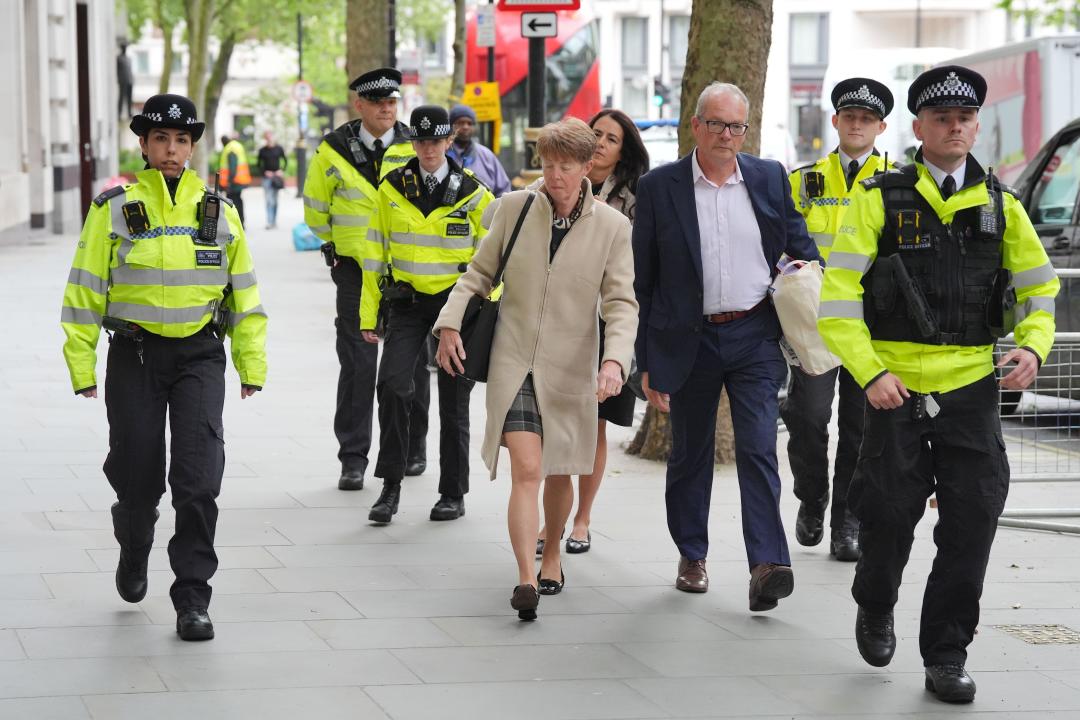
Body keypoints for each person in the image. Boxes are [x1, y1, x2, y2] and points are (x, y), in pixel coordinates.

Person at [818, 65, 1058, 703]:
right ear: (919, 127)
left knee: (971, 524)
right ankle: (875, 601)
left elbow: (1041, 293)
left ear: (977, 125)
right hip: (894, 390)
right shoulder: (878, 199)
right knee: (888, 518)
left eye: (965, 119)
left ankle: (946, 653)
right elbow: (837, 300)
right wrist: (870, 374)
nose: (955, 128)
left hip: (973, 389)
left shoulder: (1002, 207)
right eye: (942, 119)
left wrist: (1033, 347)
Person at [60, 93, 268, 641]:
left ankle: (193, 597)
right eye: (160, 140)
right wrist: (81, 363)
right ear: (145, 146)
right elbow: (83, 288)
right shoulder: (113, 209)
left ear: (193, 147)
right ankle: (134, 540)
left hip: (200, 355)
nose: (171, 150)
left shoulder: (220, 212)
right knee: (138, 474)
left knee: (198, 481)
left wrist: (251, 360)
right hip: (136, 356)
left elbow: (244, 294)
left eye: (181, 141)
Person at [433, 118, 637, 620]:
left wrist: (614, 361)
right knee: (525, 469)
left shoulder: (613, 227)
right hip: (514, 359)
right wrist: (450, 325)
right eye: (547, 166)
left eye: (565, 167)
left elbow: (621, 303)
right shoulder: (515, 209)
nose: (555, 177)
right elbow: (478, 273)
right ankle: (525, 577)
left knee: (559, 469)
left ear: (588, 166)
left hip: (572, 369)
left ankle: (552, 555)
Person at [633, 82, 820, 609]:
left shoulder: (767, 177)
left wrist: (800, 273)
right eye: (716, 123)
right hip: (687, 339)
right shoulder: (659, 187)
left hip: (753, 334)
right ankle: (692, 554)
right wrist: (647, 362)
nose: (726, 135)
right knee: (690, 453)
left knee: (759, 447)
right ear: (695, 126)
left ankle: (767, 564)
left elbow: (797, 248)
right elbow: (642, 282)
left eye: (736, 126)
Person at [780, 77, 896, 562]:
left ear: (880, 127)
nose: (857, 125)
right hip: (816, 324)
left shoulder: (898, 181)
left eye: (867, 119)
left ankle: (846, 523)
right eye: (849, 117)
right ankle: (812, 495)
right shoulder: (803, 180)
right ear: (835, 121)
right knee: (807, 418)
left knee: (860, 428)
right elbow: (780, 244)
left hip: (873, 325)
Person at [360, 105, 493, 524]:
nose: (429, 148)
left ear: (450, 141)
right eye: (421, 140)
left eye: (436, 140)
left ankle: (453, 493)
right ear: (412, 142)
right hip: (408, 304)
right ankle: (391, 485)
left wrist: (484, 312)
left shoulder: (474, 193)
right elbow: (373, 253)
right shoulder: (392, 188)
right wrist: (368, 315)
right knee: (393, 387)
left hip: (457, 308)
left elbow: (494, 259)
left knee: (454, 402)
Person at [302, 67, 430, 492]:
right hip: (355, 271)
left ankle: (412, 448)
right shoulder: (333, 149)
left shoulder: (416, 144)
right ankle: (353, 459)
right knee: (357, 363)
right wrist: (345, 246)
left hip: (407, 272)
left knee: (409, 362)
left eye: (392, 102)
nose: (386, 109)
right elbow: (316, 212)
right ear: (359, 105)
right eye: (378, 103)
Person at [535, 108, 648, 557]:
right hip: (560, 321)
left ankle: (582, 517)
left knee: (594, 424)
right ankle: (552, 519)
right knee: (553, 422)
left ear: (624, 151)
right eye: (595, 134)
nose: (601, 143)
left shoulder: (636, 198)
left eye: (612, 138)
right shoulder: (552, 185)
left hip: (608, 323)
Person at [447, 104, 511, 197]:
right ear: (451, 126)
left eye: (470, 123)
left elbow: (504, 190)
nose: (465, 127)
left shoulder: (486, 155)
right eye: (460, 123)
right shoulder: (442, 154)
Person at [218, 133, 251, 226]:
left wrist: (229, 182)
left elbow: (233, 166)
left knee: (232, 203)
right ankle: (241, 222)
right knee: (238, 200)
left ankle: (237, 223)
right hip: (239, 180)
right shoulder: (237, 145)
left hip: (233, 182)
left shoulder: (230, 148)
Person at [257, 131, 288, 229]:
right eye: (267, 137)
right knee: (269, 200)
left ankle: (274, 221)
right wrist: (265, 172)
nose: (269, 139)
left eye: (270, 137)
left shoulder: (279, 148)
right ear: (265, 139)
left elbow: (285, 161)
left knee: (275, 201)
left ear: (273, 138)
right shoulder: (262, 150)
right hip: (267, 178)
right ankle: (269, 222)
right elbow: (258, 165)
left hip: (277, 178)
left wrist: (281, 170)